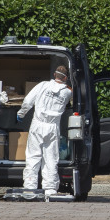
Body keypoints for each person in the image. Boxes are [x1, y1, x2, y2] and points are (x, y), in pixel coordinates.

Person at [17, 65, 72, 196]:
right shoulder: (67, 92)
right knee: (51, 158)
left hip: (37, 124)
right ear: (65, 78)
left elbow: (28, 100)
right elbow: (73, 95)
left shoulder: (42, 85)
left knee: (33, 156)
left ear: (54, 75)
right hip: (52, 127)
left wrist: (21, 113)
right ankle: (50, 189)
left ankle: (30, 187)